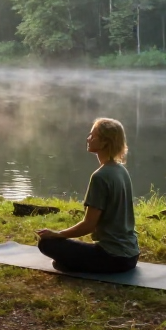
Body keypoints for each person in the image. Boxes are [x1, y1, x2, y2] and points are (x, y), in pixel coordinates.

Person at [36, 117, 140, 273]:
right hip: (131, 255)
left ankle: (72, 263)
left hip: (113, 258)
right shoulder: (121, 170)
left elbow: (89, 225)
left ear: (104, 142)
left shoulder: (100, 176)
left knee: (46, 244)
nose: (88, 138)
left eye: (93, 135)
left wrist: (57, 234)